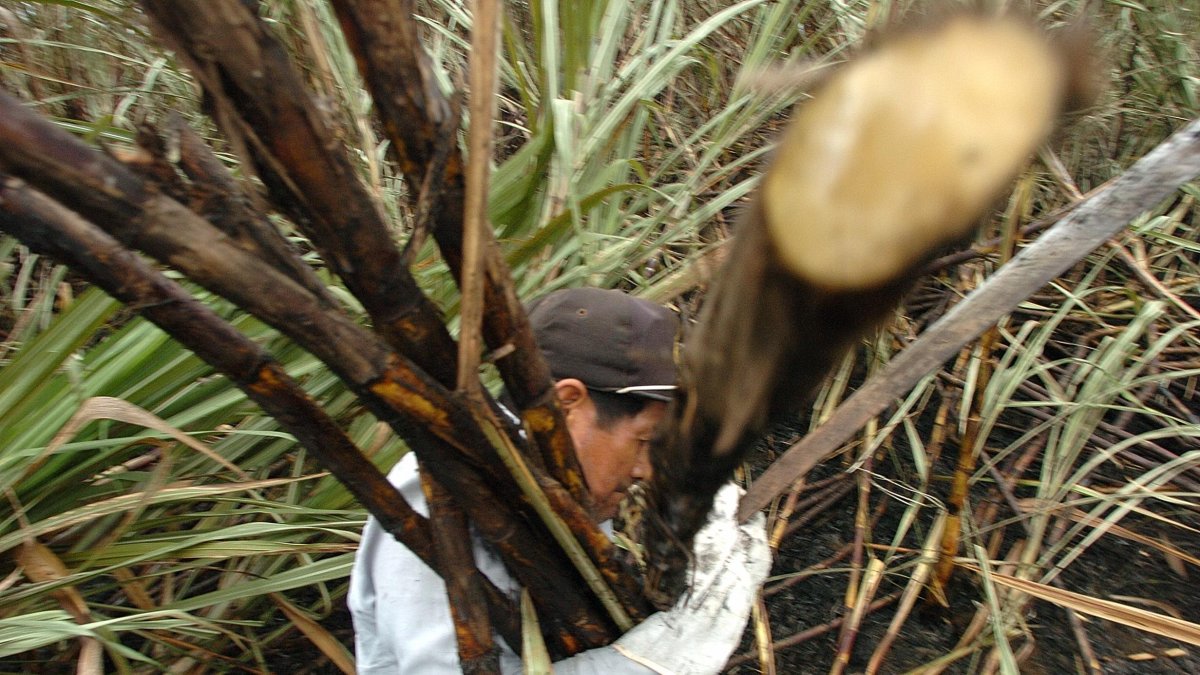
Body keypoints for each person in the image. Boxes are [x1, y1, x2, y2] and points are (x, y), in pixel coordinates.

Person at [349, 287, 770, 674]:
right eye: (645, 441)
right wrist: (666, 654)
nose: (646, 470)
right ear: (568, 404)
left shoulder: (559, 487)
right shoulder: (440, 498)